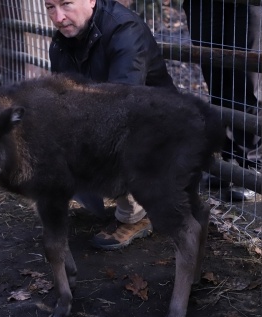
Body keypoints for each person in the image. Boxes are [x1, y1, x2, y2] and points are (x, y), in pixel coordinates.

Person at [44, 0, 177, 250]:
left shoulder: (124, 29)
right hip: (104, 112)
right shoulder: (61, 42)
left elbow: (123, 104)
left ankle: (137, 215)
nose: (59, 17)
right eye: (50, 7)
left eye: (67, 4)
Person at [183, 0, 262, 200]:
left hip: (248, 4)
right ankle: (230, 163)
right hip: (204, 4)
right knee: (216, 80)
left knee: (247, 83)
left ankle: (252, 166)